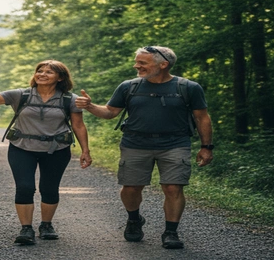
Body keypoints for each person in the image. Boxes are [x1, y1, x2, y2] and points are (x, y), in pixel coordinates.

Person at [76, 46, 213, 249]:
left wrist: (206, 146)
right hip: (135, 143)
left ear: (163, 64)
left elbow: (202, 117)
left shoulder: (188, 87)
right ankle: (134, 219)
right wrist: (90, 106)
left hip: (175, 143)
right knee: (131, 188)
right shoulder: (128, 87)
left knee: (173, 187)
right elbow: (110, 112)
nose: (136, 66)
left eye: (142, 62)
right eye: (137, 61)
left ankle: (171, 232)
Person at [0, 60, 91, 245]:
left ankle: (46, 225)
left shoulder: (70, 99)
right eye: (39, 71)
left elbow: (78, 125)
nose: (42, 74)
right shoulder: (20, 95)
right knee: (25, 187)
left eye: (48, 72)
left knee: (49, 188)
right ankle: (26, 229)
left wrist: (85, 150)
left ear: (60, 78)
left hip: (56, 150)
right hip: (21, 148)